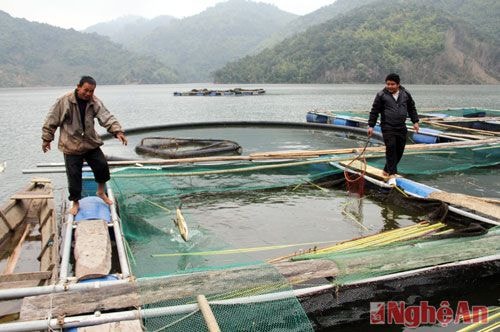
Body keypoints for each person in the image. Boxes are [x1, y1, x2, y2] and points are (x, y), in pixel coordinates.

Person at [42, 76, 127, 215]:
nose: (88, 94)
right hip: (71, 145)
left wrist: (117, 131)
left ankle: (100, 191)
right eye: (86, 90)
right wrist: (47, 139)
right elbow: (52, 120)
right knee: (74, 175)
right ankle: (76, 202)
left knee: (102, 166)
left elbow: (106, 117)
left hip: (89, 143)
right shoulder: (64, 101)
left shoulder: (94, 102)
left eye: (91, 91)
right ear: (78, 87)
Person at [367, 73, 419, 179]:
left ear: (398, 84)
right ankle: (392, 174)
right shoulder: (381, 95)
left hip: (401, 126)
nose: (390, 86)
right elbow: (374, 111)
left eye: (392, 84)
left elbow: (411, 108)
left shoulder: (405, 94)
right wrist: (371, 126)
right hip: (387, 126)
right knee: (391, 148)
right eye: (388, 84)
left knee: (400, 150)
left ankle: (387, 169)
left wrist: (415, 122)